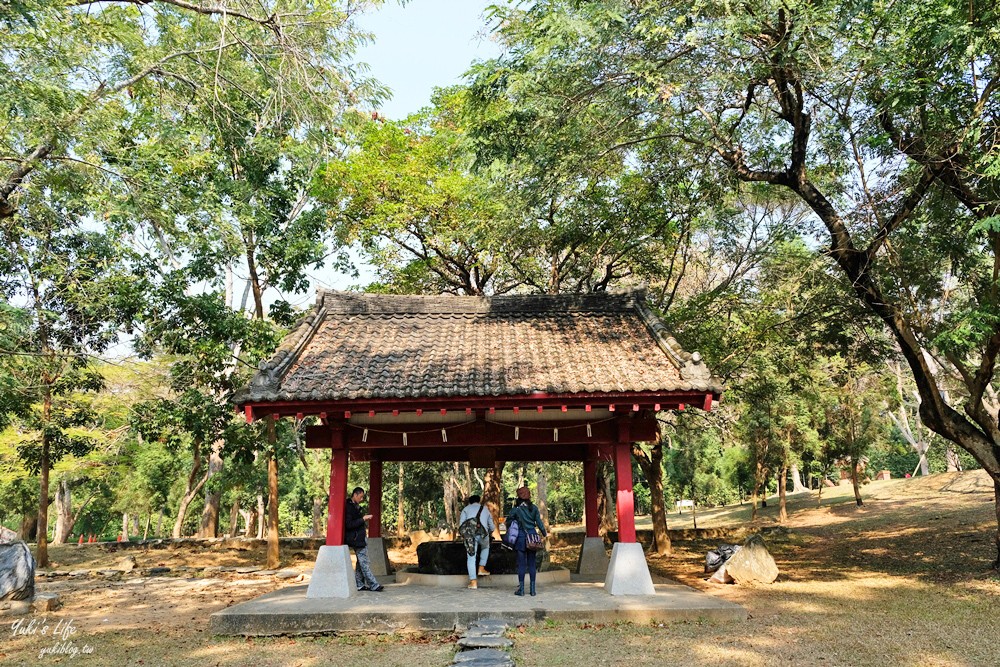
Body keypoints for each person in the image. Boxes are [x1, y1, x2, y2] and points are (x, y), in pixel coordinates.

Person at [505, 485, 547, 596]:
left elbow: (508, 522)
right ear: (529, 496)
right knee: (532, 564)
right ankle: (533, 590)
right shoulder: (533, 508)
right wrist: (544, 534)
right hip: (532, 538)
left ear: (518, 498)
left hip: (520, 538)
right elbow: (539, 523)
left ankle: (521, 589)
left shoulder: (515, 510)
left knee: (522, 565)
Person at [345, 487, 383, 592]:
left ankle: (359, 584)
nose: (362, 499)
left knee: (360, 563)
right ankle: (373, 584)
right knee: (364, 562)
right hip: (356, 539)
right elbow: (349, 525)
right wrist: (363, 519)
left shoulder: (355, 507)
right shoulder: (348, 508)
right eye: (361, 497)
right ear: (355, 495)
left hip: (359, 538)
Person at [459, 494, 496, 589]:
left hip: (470, 536)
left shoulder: (465, 509)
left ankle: (473, 582)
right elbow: (492, 527)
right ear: (479, 501)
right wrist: (489, 532)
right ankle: (481, 568)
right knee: (485, 547)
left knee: (471, 557)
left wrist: (464, 536)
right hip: (483, 534)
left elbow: (461, 525)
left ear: (469, 502)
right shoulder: (485, 509)